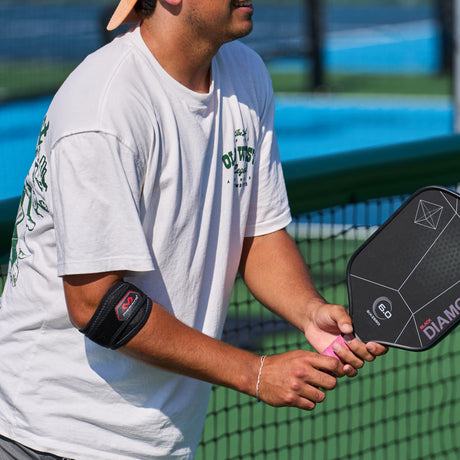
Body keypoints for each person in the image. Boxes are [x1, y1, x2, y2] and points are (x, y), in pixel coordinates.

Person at [0, 0, 387, 458]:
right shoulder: (104, 109)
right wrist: (255, 373)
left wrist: (309, 310)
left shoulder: (246, 73)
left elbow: (258, 234)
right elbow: (97, 304)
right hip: (52, 436)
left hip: (163, 441)